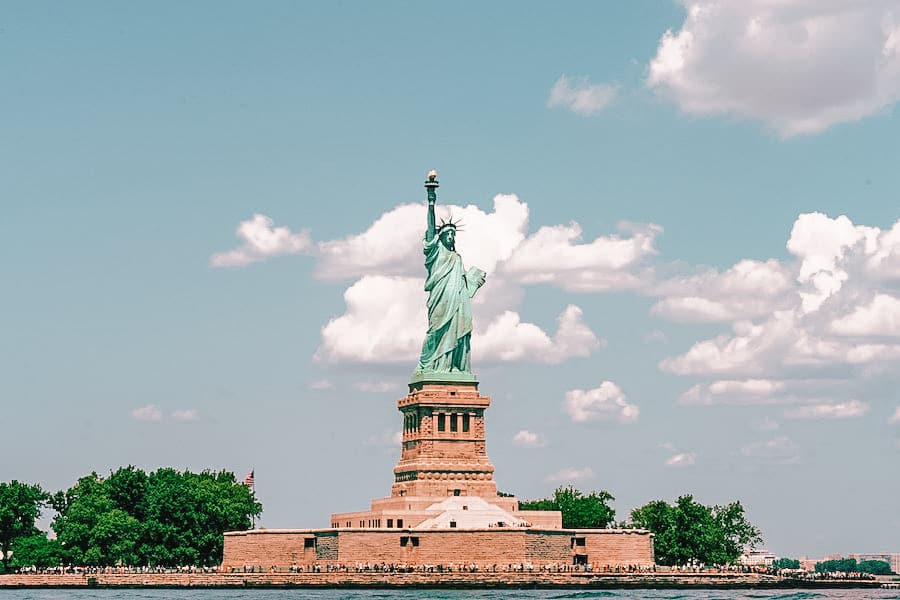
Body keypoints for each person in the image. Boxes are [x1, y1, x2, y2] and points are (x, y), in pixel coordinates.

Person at [415, 172, 486, 375]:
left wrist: (474, 281)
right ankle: (432, 365)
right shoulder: (435, 252)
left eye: (453, 234)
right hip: (441, 297)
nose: (451, 237)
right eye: (447, 233)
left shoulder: (457, 258)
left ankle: (454, 366)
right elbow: (430, 228)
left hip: (458, 300)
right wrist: (431, 202)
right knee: (437, 330)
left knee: (459, 329)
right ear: (441, 236)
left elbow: (464, 283)